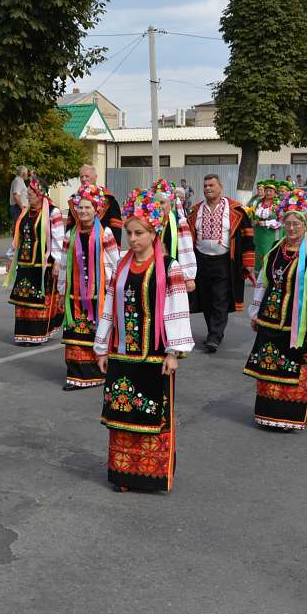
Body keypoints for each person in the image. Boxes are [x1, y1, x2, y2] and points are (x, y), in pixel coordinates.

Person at [93, 189, 194, 493]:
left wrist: (174, 352)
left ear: (154, 233)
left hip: (155, 357)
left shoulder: (169, 267)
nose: (133, 239)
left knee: (153, 415)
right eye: (129, 232)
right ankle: (123, 475)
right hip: (123, 355)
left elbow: (177, 310)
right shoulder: (120, 268)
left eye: (139, 233)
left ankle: (149, 474)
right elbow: (110, 308)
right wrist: (102, 347)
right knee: (122, 416)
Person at [243, 190, 307, 430]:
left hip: (297, 323)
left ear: (306, 225)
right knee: (269, 365)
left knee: (293, 367)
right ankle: (267, 414)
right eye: (287, 223)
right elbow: (263, 282)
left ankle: (290, 416)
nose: (291, 228)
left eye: (296, 223)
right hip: (270, 320)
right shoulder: (274, 249)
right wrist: (256, 312)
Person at [55, 183, 120, 391]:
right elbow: (64, 264)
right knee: (75, 334)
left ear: (96, 210)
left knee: (97, 332)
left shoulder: (106, 234)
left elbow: (115, 261)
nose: (83, 211)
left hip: (98, 294)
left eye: (88, 208)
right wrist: (61, 290)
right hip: (74, 295)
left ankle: (99, 373)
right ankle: (75, 376)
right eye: (80, 208)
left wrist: (113, 290)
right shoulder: (69, 235)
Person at [187, 174, 254, 353]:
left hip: (225, 261)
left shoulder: (236, 210)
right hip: (201, 260)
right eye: (205, 185)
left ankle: (215, 335)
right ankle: (214, 331)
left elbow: (248, 236)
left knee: (220, 298)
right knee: (207, 299)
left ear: (221, 186)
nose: (208, 188)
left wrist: (248, 262)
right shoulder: (195, 211)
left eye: (212, 185)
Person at [5, 172, 63, 344]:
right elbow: (18, 237)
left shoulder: (53, 213)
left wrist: (57, 262)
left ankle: (37, 334)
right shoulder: (25, 213)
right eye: (27, 195)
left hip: (43, 263)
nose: (28, 197)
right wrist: (10, 258)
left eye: (30, 195)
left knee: (39, 297)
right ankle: (23, 334)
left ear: (40, 194)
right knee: (23, 297)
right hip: (24, 263)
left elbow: (58, 238)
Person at [152, 179, 197, 293]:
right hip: (153, 271)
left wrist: (189, 278)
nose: (158, 206)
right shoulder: (150, 222)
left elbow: (186, 249)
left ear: (170, 203)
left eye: (162, 202)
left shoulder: (179, 222)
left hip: (172, 270)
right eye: (155, 202)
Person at [69, 164, 123, 244]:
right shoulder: (74, 199)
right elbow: (70, 225)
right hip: (78, 247)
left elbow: (116, 226)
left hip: (102, 247)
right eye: (81, 177)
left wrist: (115, 247)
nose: (84, 179)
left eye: (87, 176)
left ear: (96, 177)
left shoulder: (108, 199)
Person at [250, 180, 283, 275]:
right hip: (259, 234)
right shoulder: (258, 202)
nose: (268, 193)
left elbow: (280, 220)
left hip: (271, 235)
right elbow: (252, 214)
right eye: (266, 190)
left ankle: (268, 275)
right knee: (258, 254)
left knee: (268, 254)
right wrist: (253, 220)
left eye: (271, 191)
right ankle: (258, 277)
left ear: (275, 193)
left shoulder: (278, 203)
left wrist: (266, 223)